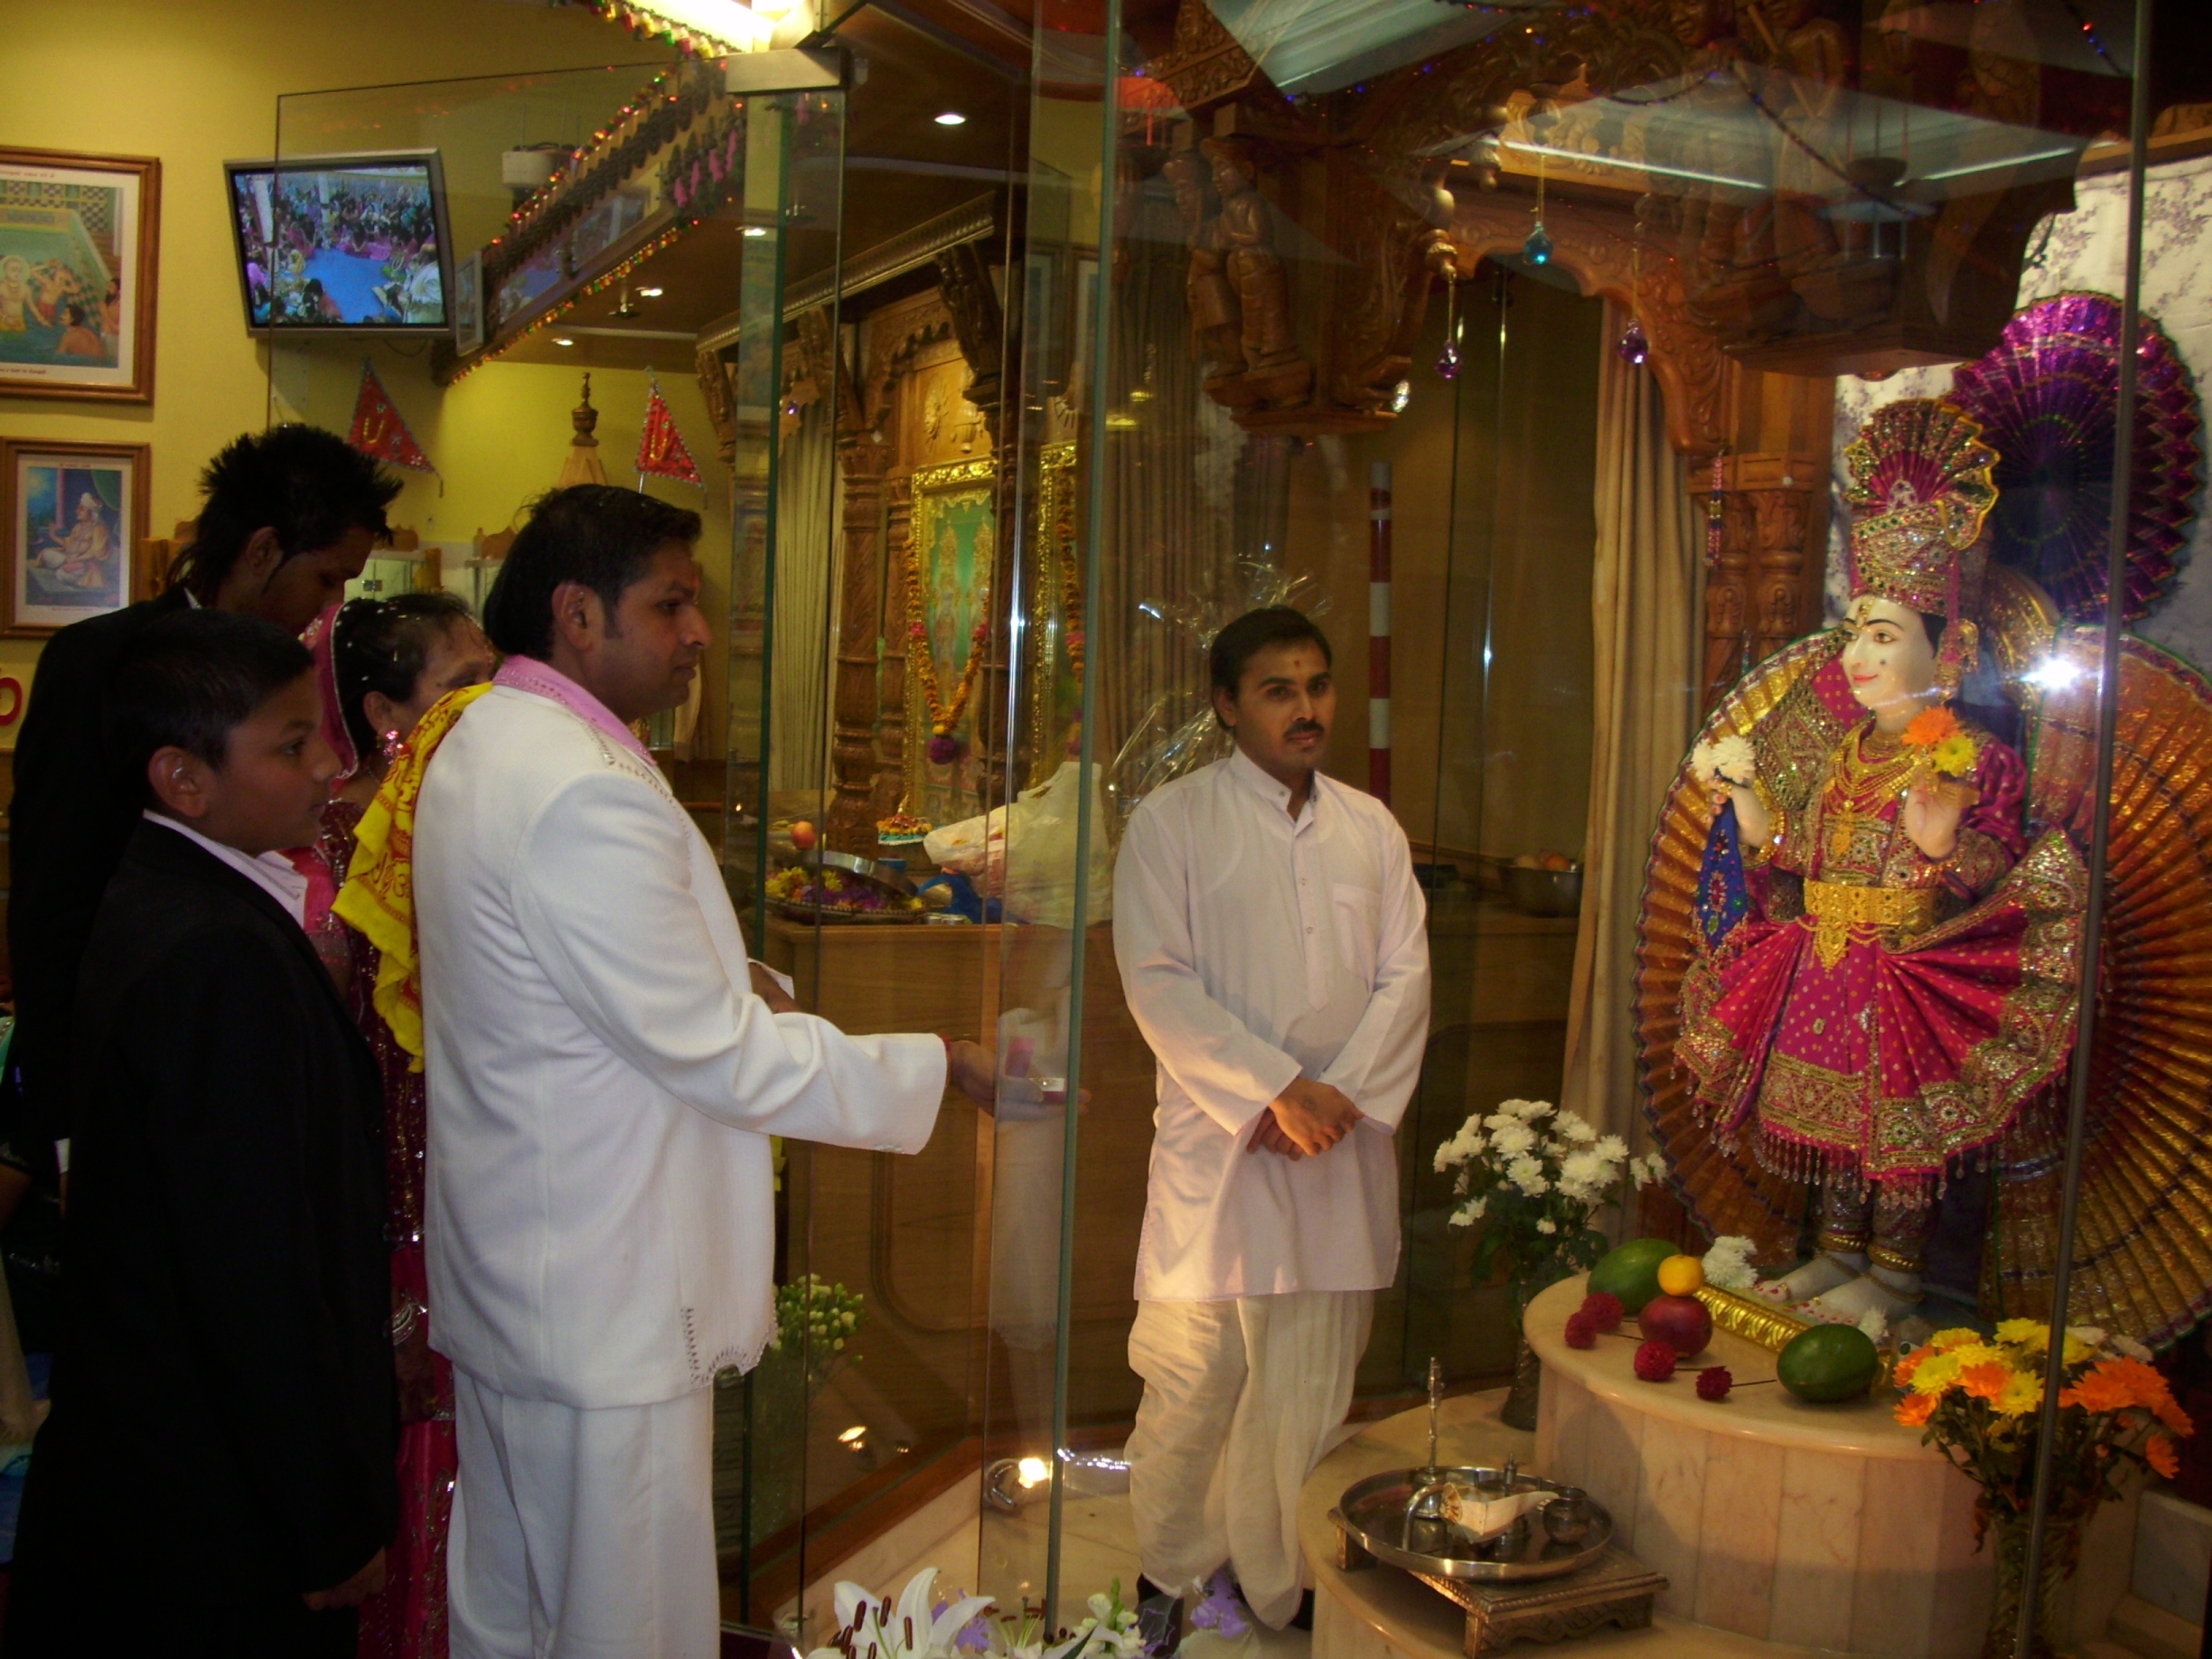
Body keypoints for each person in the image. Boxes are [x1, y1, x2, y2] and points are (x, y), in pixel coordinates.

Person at [335, 485, 998, 1658]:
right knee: (622, 1626)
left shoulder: (490, 736)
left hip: (529, 1274)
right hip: (606, 1296)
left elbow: (587, 978)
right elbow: (712, 1050)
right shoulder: (575, 783)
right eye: (672, 605)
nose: (698, 634)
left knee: (513, 1613)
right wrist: (940, 1065)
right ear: (578, 613)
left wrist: (750, 983)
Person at [8, 609, 397, 1656]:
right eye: (291, 745)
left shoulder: (189, 897)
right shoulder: (212, 955)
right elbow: (250, 1272)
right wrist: (328, 1519)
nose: (329, 766)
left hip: (183, 1474)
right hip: (208, 1510)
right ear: (183, 778)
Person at [1111, 605, 1429, 1631]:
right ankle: (1170, 1579)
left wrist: (1338, 1096)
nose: (1306, 709)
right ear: (1226, 705)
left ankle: (1278, 1580)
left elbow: (1406, 978)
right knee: (1196, 1379)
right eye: (1278, 690)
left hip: (1336, 1147)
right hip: (1225, 1149)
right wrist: (1272, 1092)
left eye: (1318, 686)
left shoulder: (1371, 828)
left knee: (1309, 1384)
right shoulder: (1173, 824)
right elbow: (1157, 980)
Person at [6, 425, 397, 1166]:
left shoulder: (288, 672)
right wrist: (64, 1123)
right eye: (326, 579)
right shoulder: (103, 661)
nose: (332, 604)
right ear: (262, 552)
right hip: (135, 1054)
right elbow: (54, 900)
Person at [305, 594, 496, 1659]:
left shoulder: (476, 818)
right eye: (460, 685)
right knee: (419, 1464)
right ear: (384, 713)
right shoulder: (338, 852)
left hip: (483, 1191)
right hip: (394, 1210)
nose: (488, 704)